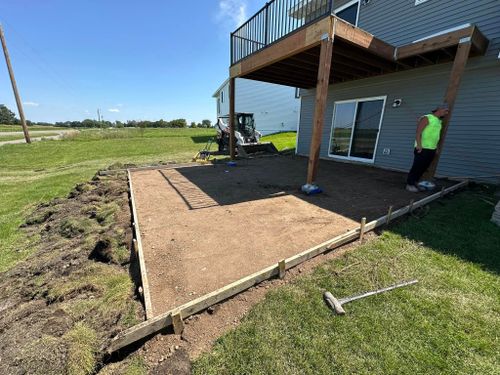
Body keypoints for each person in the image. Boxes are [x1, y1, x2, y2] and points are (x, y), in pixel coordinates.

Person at [406, 103, 449, 192]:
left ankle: (415, 182)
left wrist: (436, 147)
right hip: (422, 148)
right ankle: (409, 184)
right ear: (440, 109)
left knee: (424, 167)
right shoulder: (426, 118)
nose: (446, 113)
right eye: (446, 111)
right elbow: (418, 132)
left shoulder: (439, 121)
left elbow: (436, 136)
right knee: (417, 167)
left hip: (431, 149)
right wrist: (419, 145)